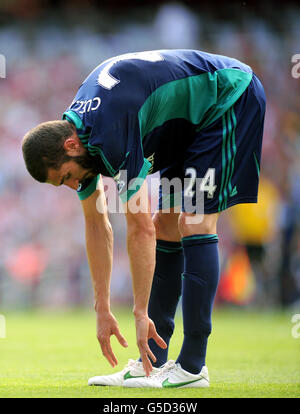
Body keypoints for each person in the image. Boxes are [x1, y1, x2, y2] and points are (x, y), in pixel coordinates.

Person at [22, 49, 266, 388]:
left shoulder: (108, 135)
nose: (74, 186)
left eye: (66, 178)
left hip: (226, 97)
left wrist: (139, 312)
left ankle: (193, 367)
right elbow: (97, 224)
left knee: (193, 221)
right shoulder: (80, 137)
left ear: (70, 146)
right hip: (184, 125)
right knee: (167, 223)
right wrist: (102, 308)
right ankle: (152, 362)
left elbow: (139, 229)